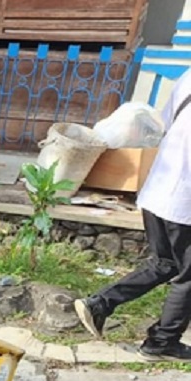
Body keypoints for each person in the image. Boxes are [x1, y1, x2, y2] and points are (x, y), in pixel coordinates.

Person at [74, 70, 191, 361]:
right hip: (183, 202)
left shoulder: (188, 77)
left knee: (166, 263)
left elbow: (166, 122)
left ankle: (99, 303)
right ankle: (161, 343)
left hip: (157, 192)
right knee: (188, 275)